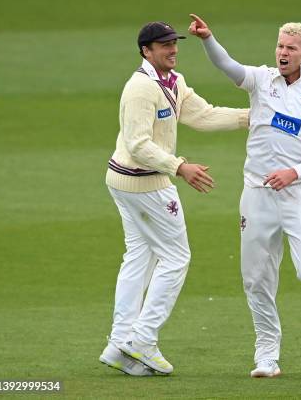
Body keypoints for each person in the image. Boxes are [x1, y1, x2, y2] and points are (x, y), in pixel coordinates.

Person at [188, 14, 301, 377]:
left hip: (299, 195)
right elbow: (227, 66)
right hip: (256, 194)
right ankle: (267, 354)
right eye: (279, 46)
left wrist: (293, 173)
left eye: (291, 48)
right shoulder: (261, 80)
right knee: (256, 279)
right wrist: (208, 38)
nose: (282, 53)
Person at [99, 21, 249, 376]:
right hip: (143, 182)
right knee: (176, 258)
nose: (173, 49)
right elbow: (138, 144)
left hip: (131, 181)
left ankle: (120, 342)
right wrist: (180, 167)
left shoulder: (174, 82)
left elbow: (205, 115)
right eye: (164, 45)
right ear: (145, 51)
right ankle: (143, 339)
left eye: (174, 43)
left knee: (139, 255)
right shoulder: (140, 89)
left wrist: (252, 117)